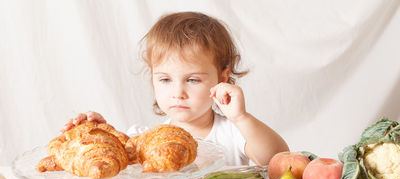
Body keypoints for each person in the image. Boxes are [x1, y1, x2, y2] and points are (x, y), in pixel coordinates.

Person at [62, 11, 289, 166]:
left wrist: (241, 117)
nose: (177, 92)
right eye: (165, 80)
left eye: (192, 80)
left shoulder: (232, 133)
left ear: (222, 78)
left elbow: (277, 157)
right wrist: (101, 132)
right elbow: (119, 160)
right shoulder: (145, 139)